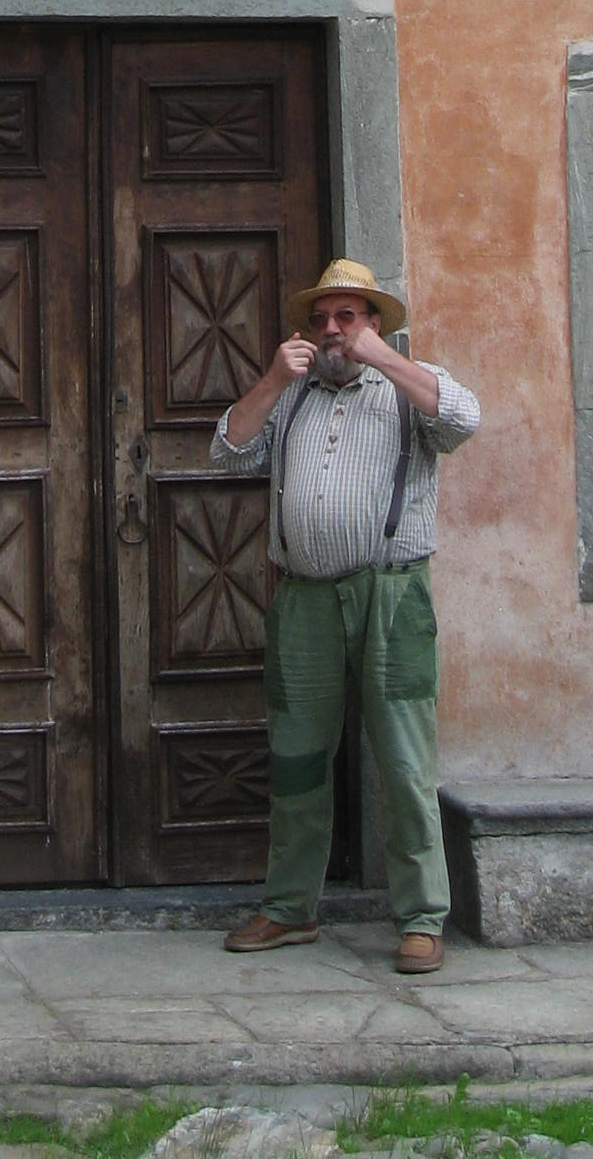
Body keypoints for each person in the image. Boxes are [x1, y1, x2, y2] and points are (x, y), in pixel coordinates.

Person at [212, 258, 479, 972]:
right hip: (302, 598)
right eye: (321, 319)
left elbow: (464, 419)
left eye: (347, 318)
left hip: (391, 598)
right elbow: (230, 450)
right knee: (297, 759)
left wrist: (385, 359)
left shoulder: (404, 390)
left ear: (374, 323)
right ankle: (289, 908)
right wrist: (273, 378)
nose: (332, 332)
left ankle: (422, 918)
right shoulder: (292, 398)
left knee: (403, 758)